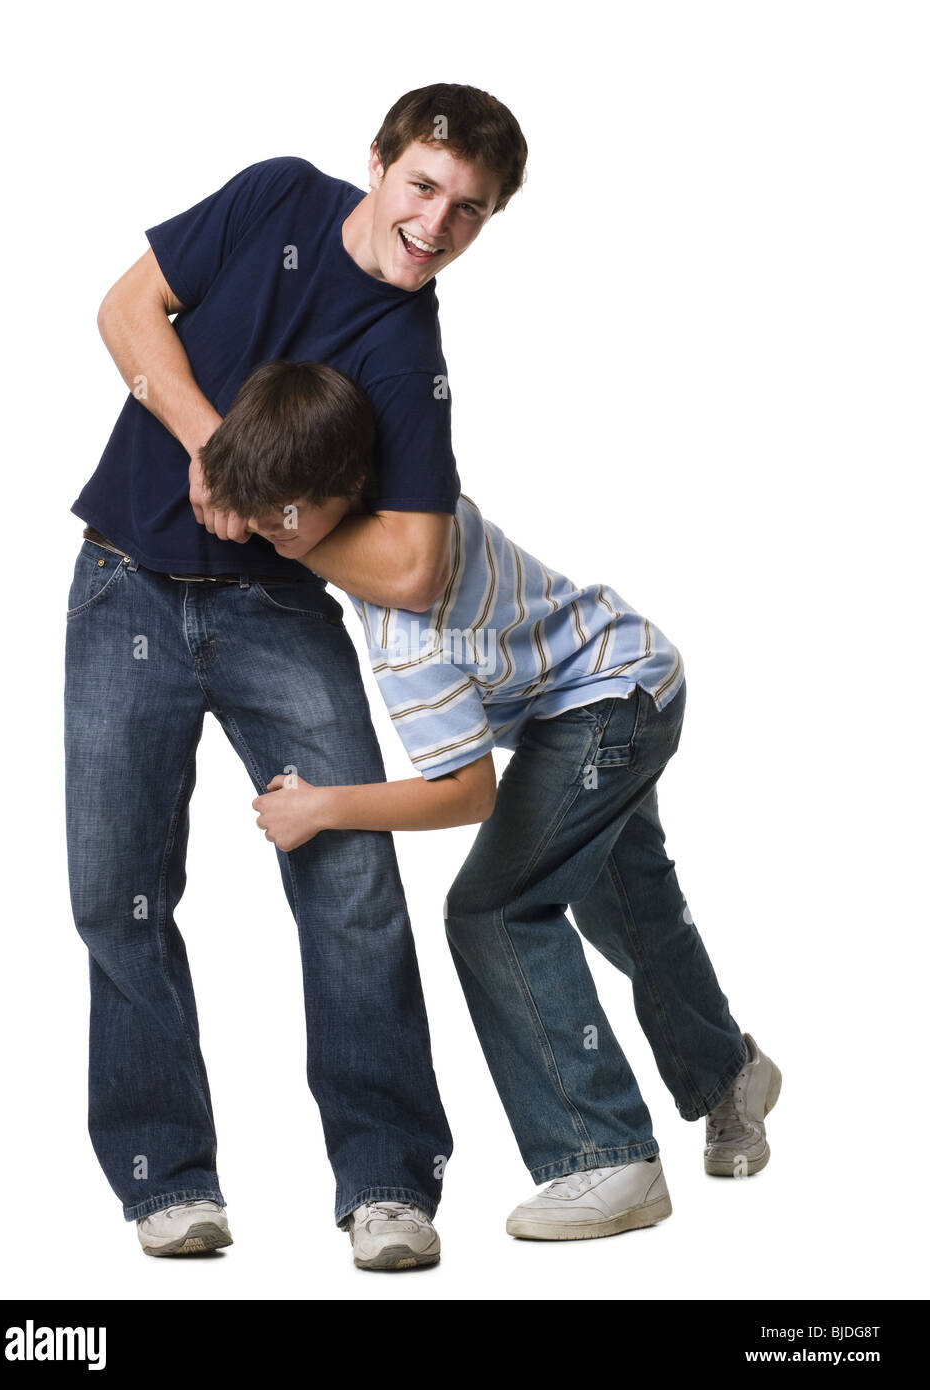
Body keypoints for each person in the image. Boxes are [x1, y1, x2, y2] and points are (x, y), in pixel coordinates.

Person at [64, 84, 528, 1268]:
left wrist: (276, 522)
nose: (436, 224)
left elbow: (417, 570)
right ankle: (165, 1180)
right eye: (424, 186)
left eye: (470, 211)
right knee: (118, 890)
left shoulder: (409, 351)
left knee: (351, 885)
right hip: (125, 580)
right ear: (377, 164)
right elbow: (127, 313)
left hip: (276, 611)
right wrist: (216, 451)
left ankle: (387, 1181)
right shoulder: (276, 194)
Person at [199, 359, 784, 1244]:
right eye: (264, 515)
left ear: (348, 487)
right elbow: (294, 493)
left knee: (494, 909)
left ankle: (603, 1155)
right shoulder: (413, 507)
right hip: (627, 675)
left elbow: (466, 794)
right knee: (630, 902)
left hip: (606, 706)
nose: (276, 535)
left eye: (290, 518)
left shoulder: (406, 627)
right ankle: (727, 1076)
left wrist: (322, 808)